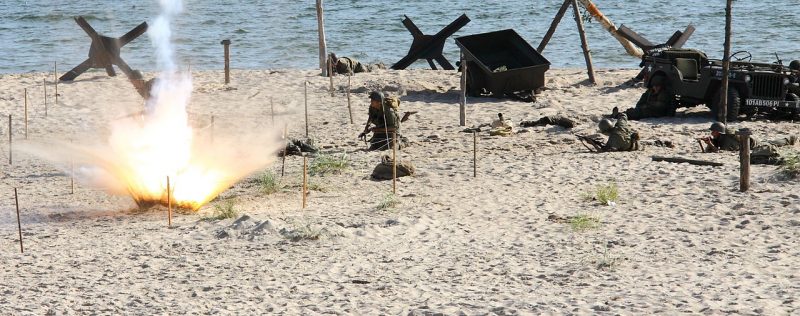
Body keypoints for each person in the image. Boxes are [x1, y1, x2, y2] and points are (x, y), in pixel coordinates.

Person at [700, 122, 796, 164]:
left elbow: (719, 151)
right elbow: (715, 146)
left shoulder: (726, 139)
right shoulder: (722, 136)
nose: (712, 133)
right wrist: (710, 141)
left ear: (718, 132)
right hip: (748, 141)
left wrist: (710, 144)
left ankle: (790, 138)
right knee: (770, 142)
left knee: (773, 143)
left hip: (753, 144)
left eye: (713, 131)